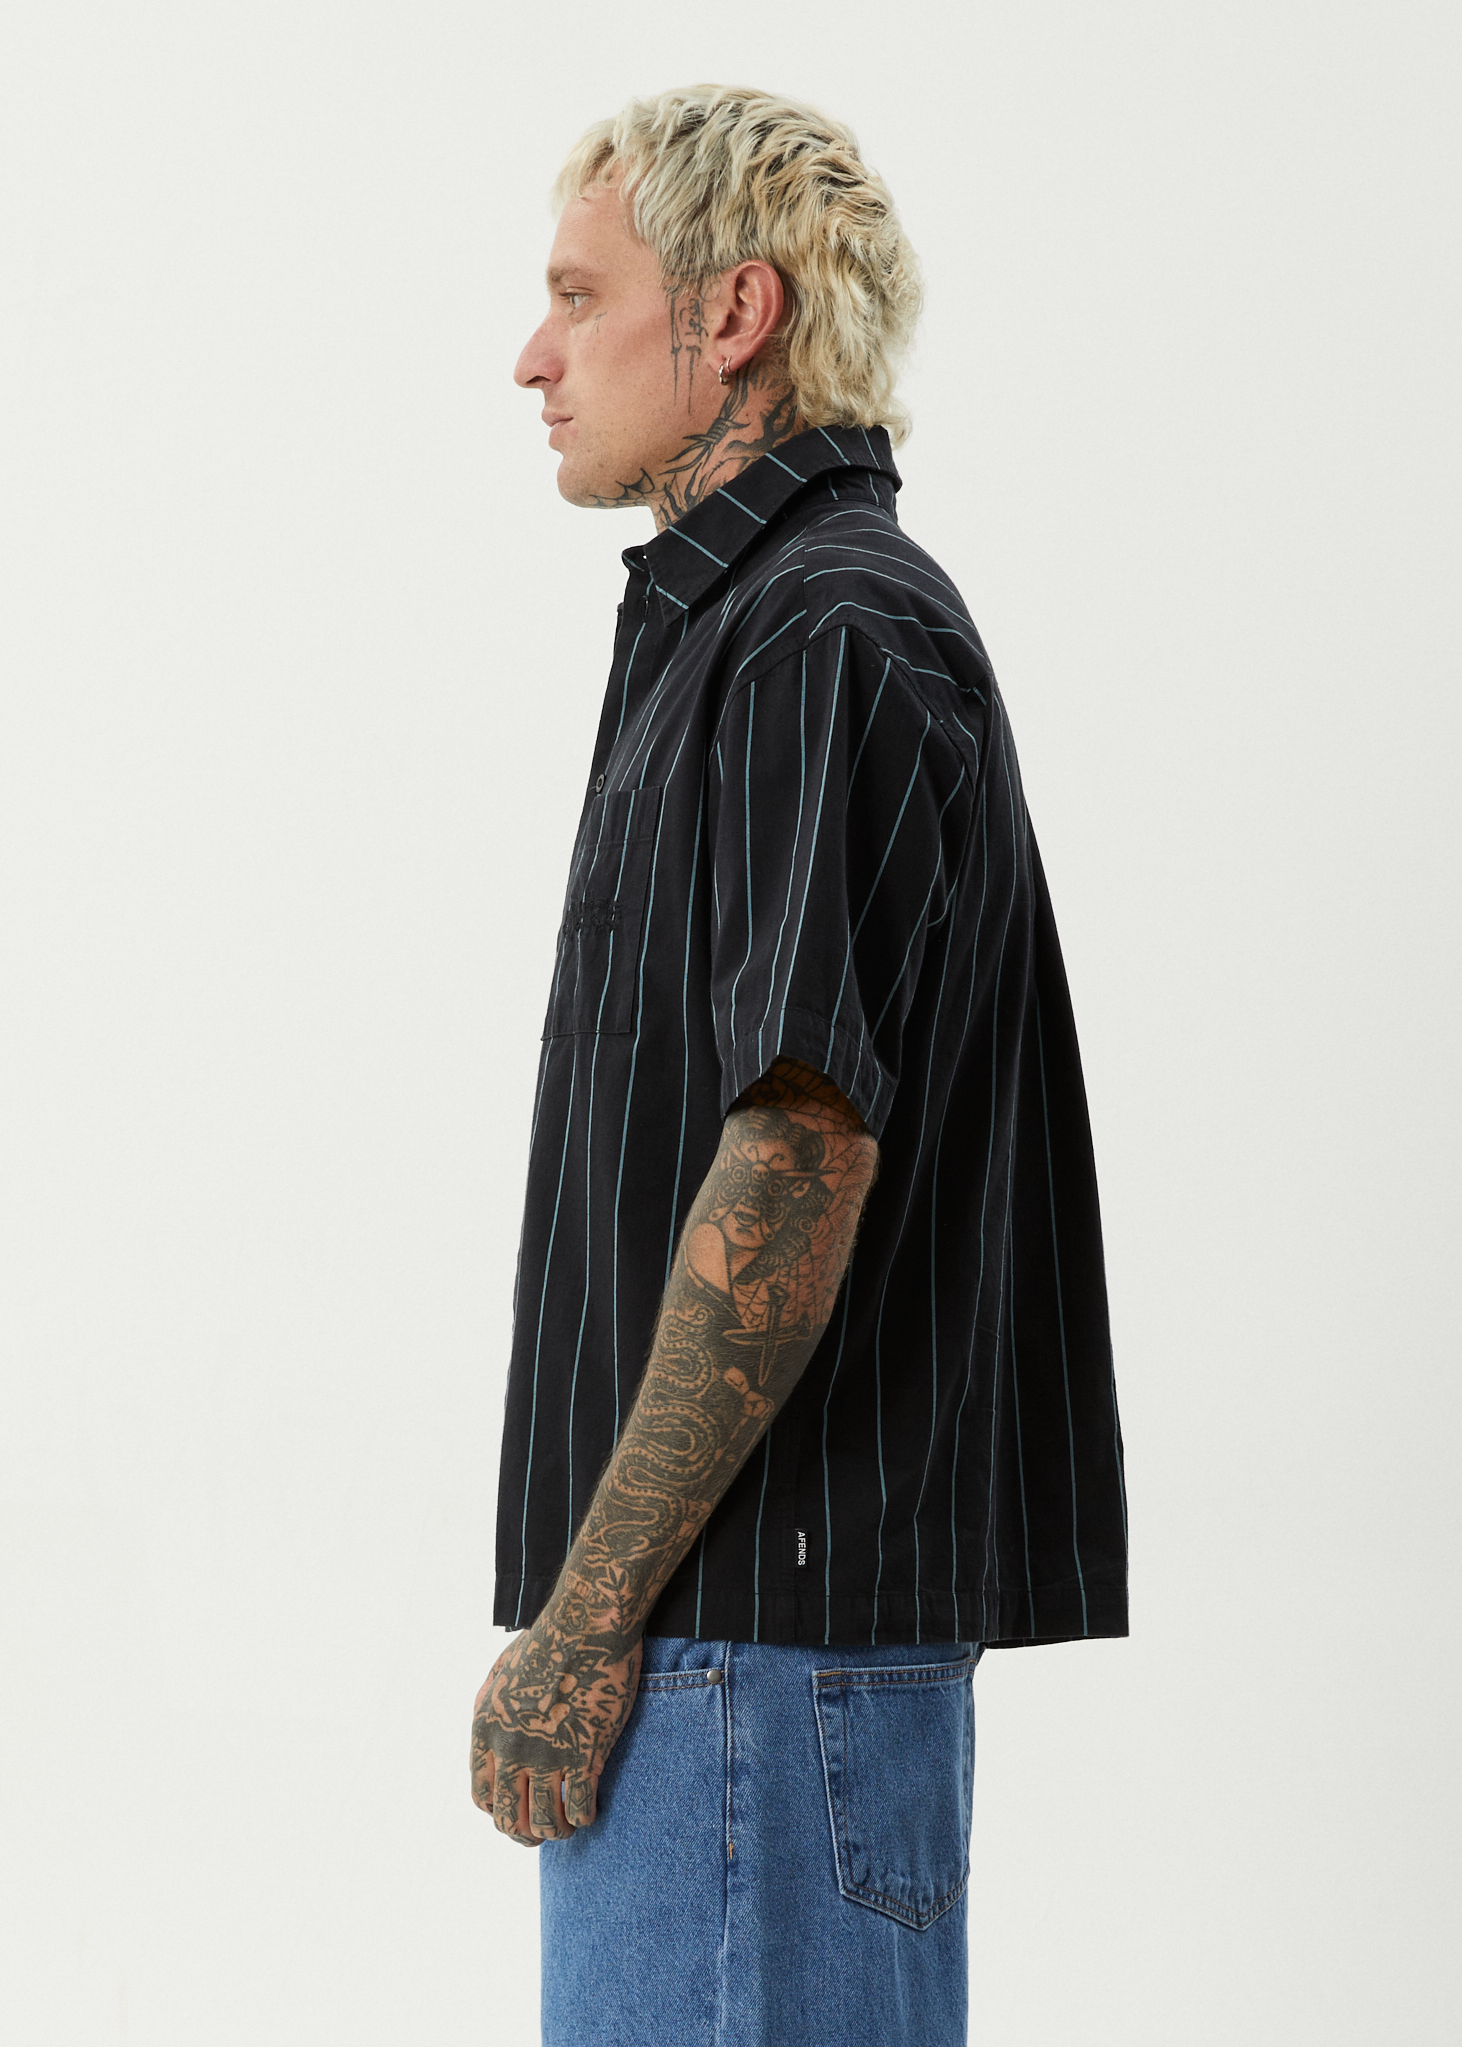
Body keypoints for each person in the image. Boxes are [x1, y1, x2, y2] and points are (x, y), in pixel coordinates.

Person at [470, 85, 1128, 2047]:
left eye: (577, 297)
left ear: (733, 313)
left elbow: (798, 1145)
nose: (531, 356)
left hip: (739, 1665)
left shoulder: (815, 633)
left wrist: (585, 1624)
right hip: (744, 1661)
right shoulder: (754, 629)